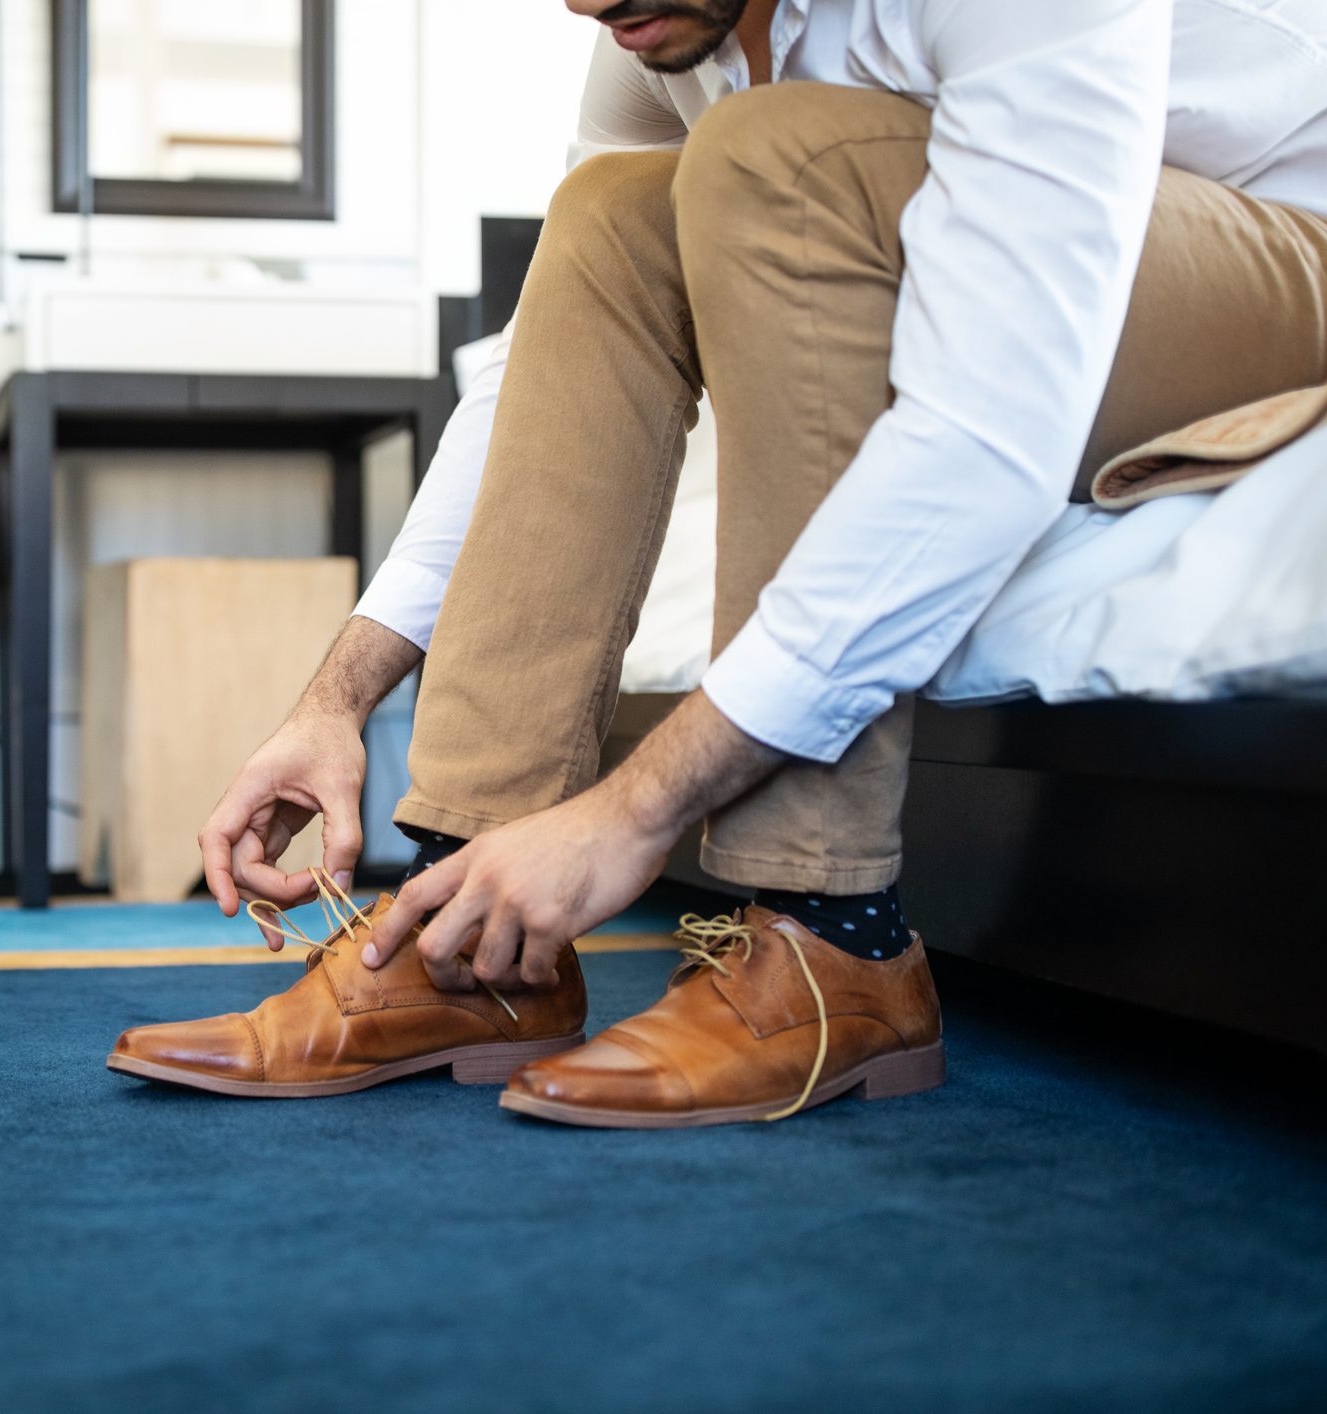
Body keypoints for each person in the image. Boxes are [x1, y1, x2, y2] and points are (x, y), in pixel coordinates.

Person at [106, 0, 1327, 1126]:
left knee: (769, 155)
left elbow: (987, 441)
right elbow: (549, 351)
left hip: (1279, 264)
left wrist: (635, 813)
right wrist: (340, 698)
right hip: (989, 253)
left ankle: (833, 935)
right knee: (608, 219)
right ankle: (465, 935)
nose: (585, 3)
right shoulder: (651, 21)